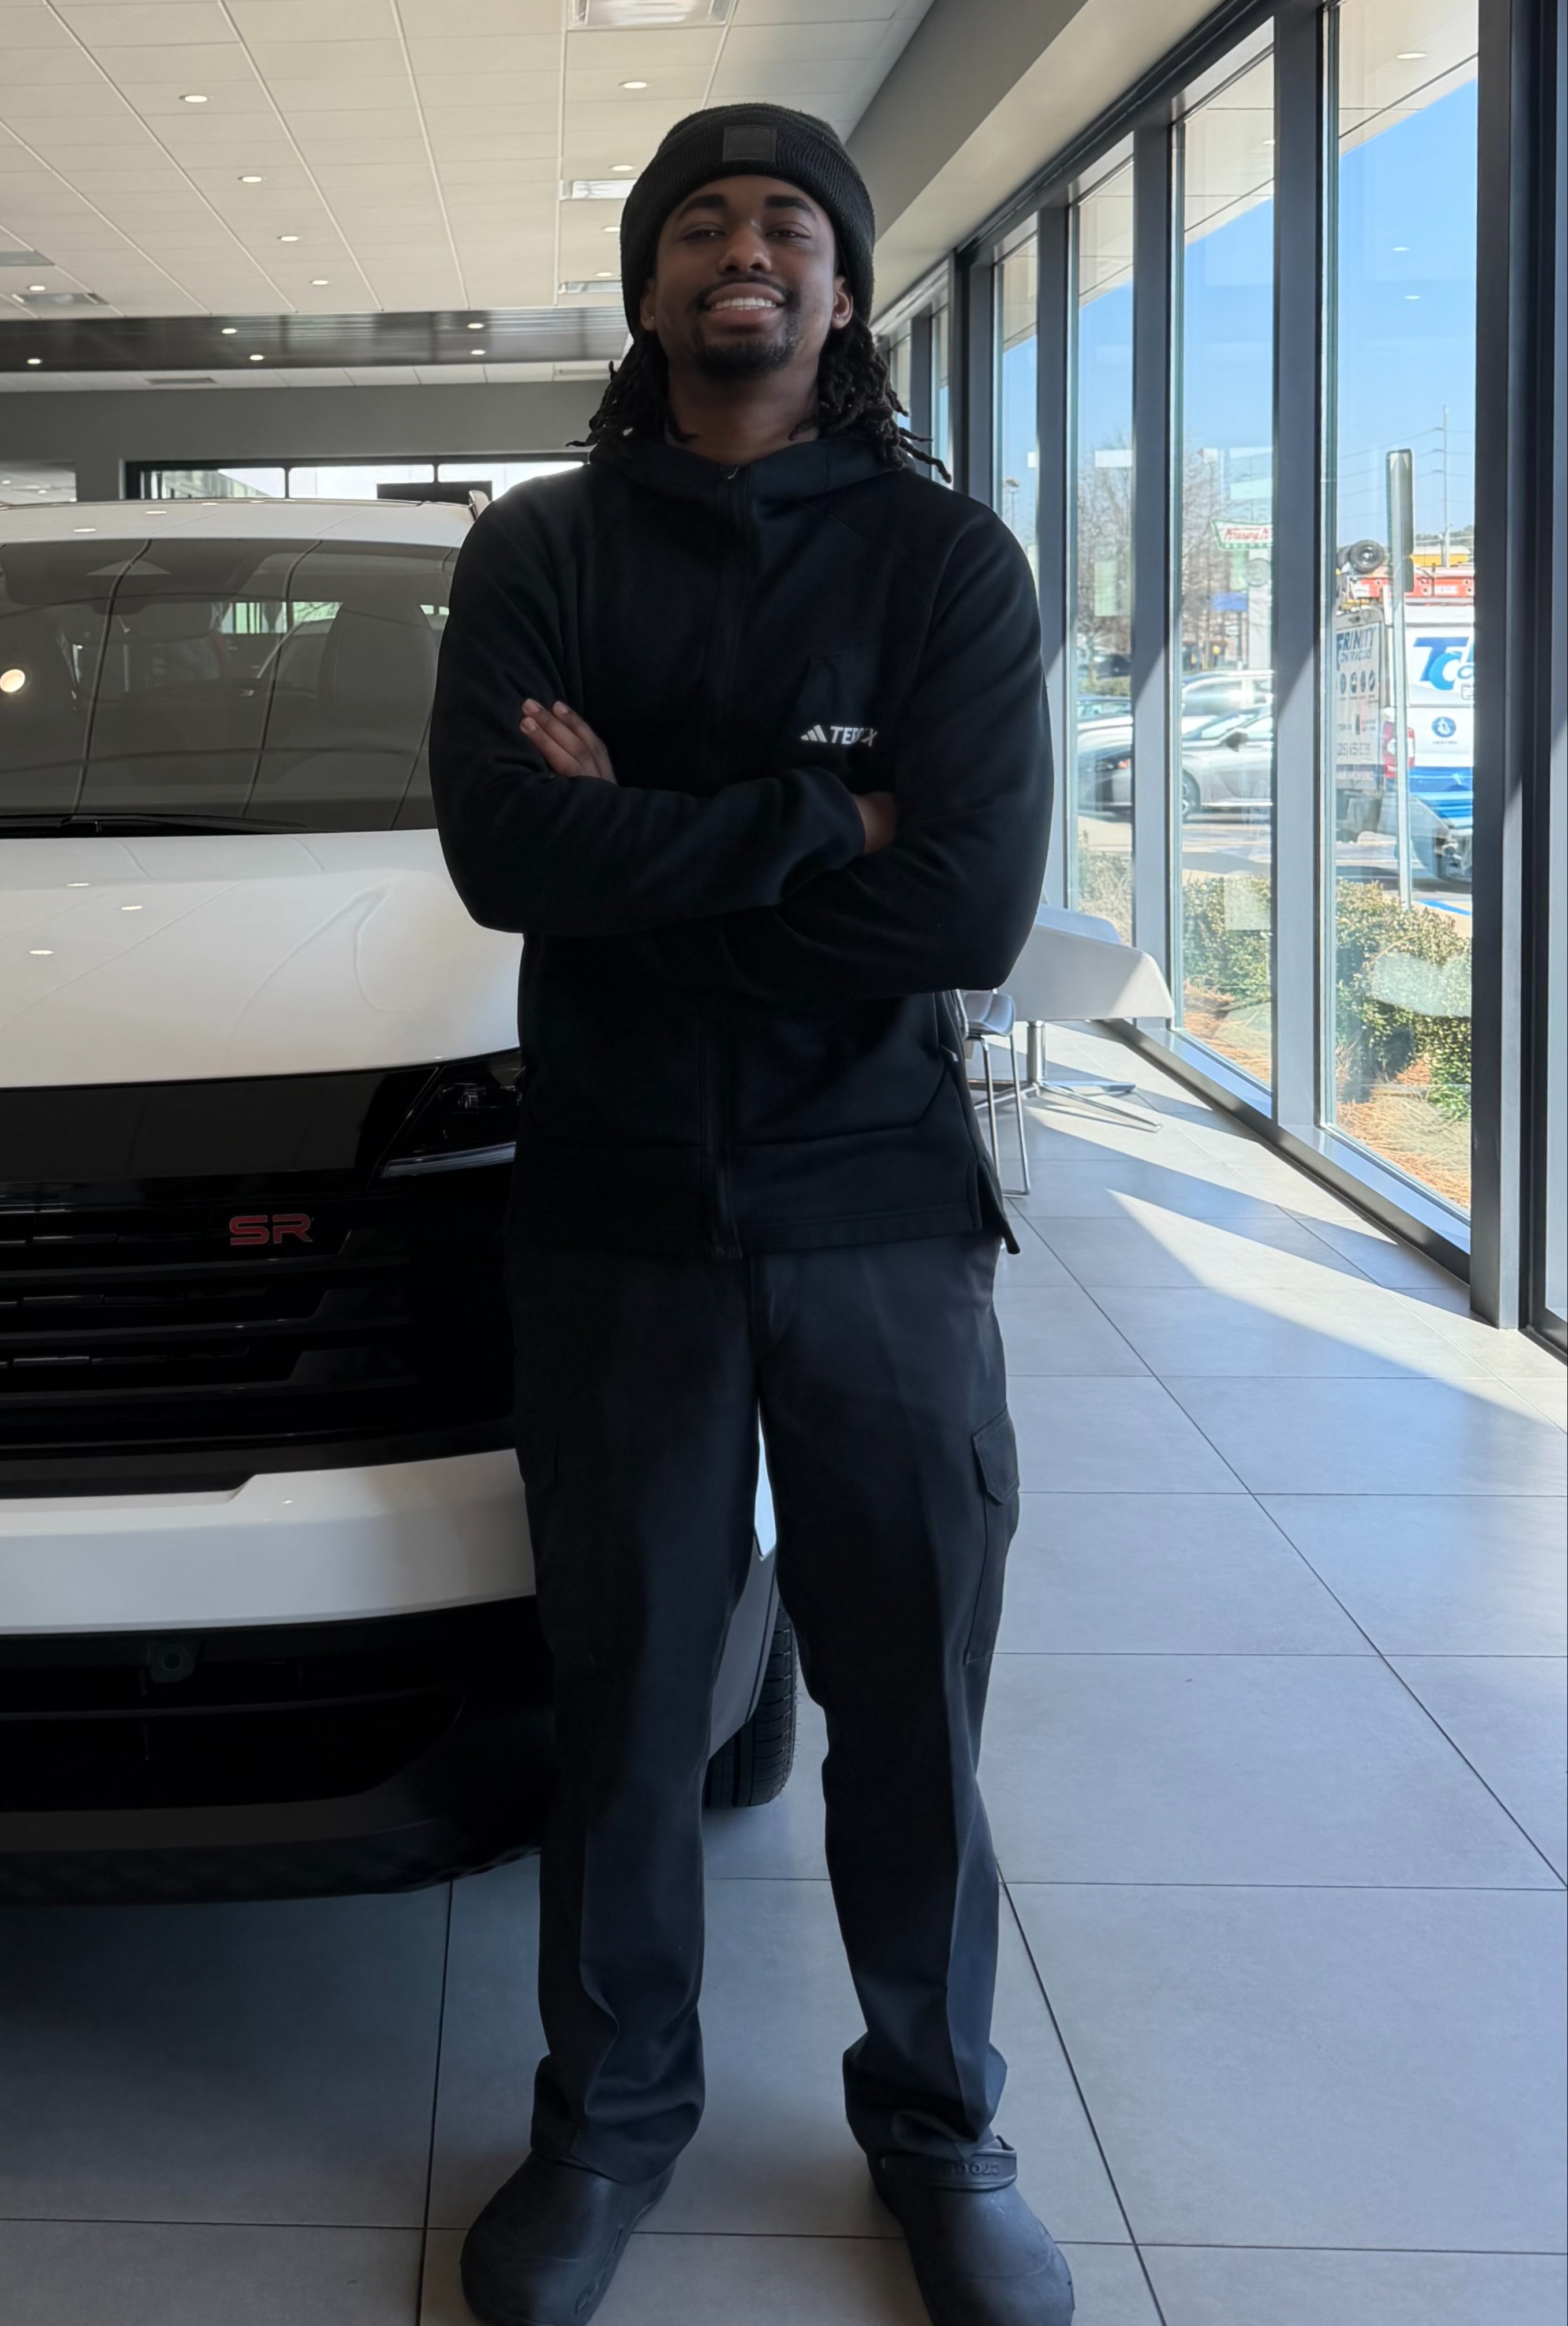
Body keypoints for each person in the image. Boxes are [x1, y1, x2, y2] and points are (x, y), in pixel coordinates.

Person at [429, 102, 1066, 2326]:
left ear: (838, 284)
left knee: (910, 1691)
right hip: (615, 1216)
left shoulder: (943, 564)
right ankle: (608, 2125)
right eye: (700, 221)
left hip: (880, 1209)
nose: (745, 250)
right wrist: (831, 815)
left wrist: (665, 857)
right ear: (650, 284)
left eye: (788, 223)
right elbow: (514, 863)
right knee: (625, 1708)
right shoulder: (537, 549)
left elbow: (967, 905)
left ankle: (941, 2116)